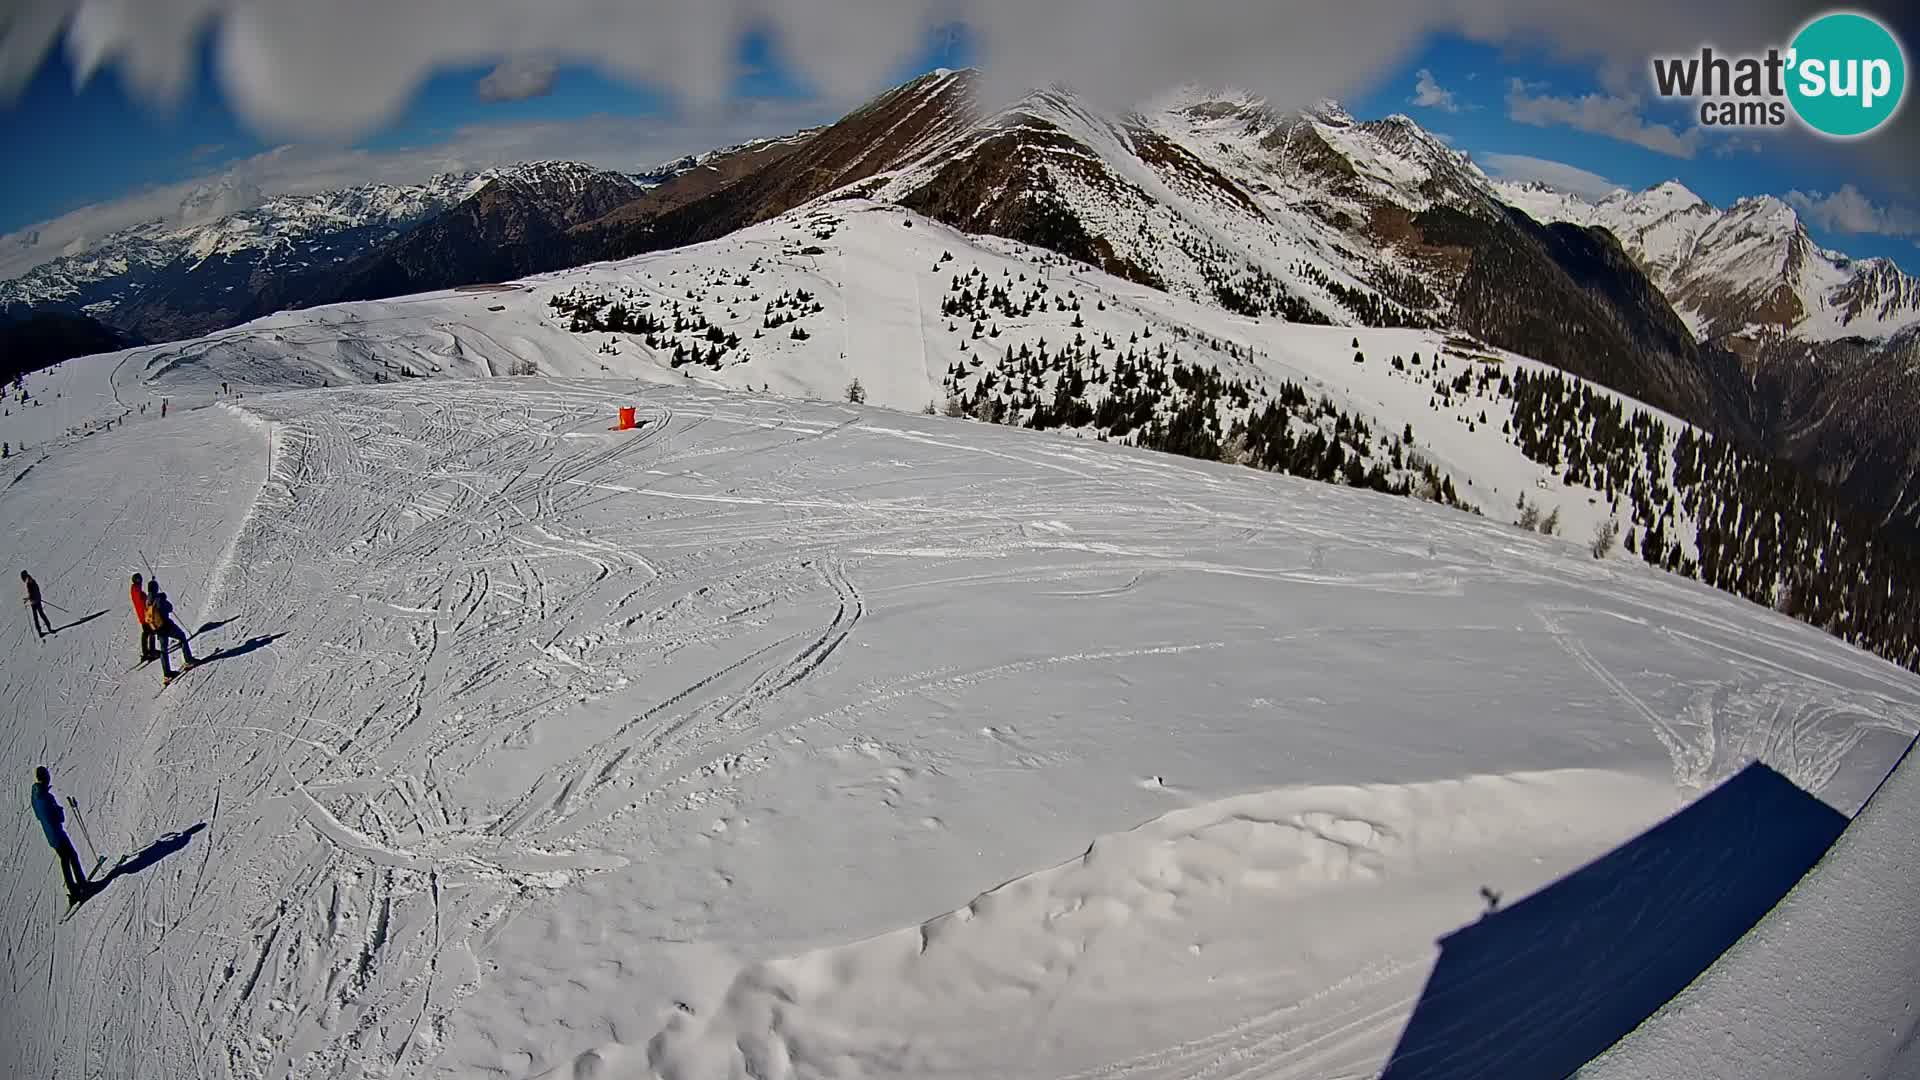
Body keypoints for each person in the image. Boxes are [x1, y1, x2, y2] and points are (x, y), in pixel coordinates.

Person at [30, 767, 93, 903]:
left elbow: (39, 815)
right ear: (45, 778)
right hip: (57, 833)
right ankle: (80, 885)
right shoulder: (45, 797)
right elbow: (57, 816)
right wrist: (59, 810)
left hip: (51, 835)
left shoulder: (36, 795)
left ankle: (74, 888)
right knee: (71, 856)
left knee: (65, 859)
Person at [145, 578, 197, 681]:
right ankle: (188, 660)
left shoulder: (147, 601)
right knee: (182, 637)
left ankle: (167, 674)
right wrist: (163, 599)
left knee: (163, 651)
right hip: (167, 626)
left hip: (158, 629)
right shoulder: (159, 599)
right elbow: (169, 608)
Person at [130, 572, 155, 662]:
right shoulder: (136, 590)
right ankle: (151, 652)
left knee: (146, 633)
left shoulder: (136, 590)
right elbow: (142, 599)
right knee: (151, 632)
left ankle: (146, 652)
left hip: (143, 616)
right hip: (145, 616)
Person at [21, 570, 52, 637]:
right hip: (33, 602)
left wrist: (36, 599)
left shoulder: (32, 582)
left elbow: (36, 592)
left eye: (23, 578)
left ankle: (49, 628)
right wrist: (28, 599)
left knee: (41, 615)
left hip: (36, 602)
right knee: (36, 618)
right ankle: (40, 632)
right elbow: (31, 594)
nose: (24, 580)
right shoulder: (28, 583)